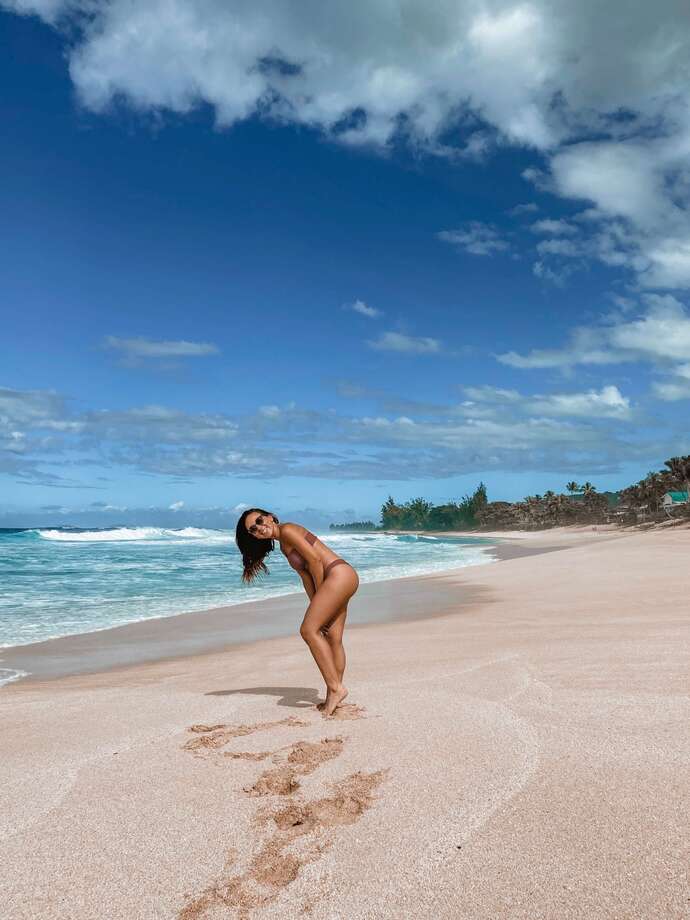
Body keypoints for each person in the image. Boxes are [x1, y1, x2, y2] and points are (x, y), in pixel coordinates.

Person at [235, 508, 359, 716]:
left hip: (337, 576)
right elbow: (305, 575)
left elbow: (315, 561)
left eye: (259, 520)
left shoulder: (288, 530)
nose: (258, 527)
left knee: (308, 631)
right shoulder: (284, 544)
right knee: (332, 637)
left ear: (270, 516)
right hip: (338, 578)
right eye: (253, 529)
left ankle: (337, 689)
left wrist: (321, 597)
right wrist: (317, 602)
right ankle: (332, 694)